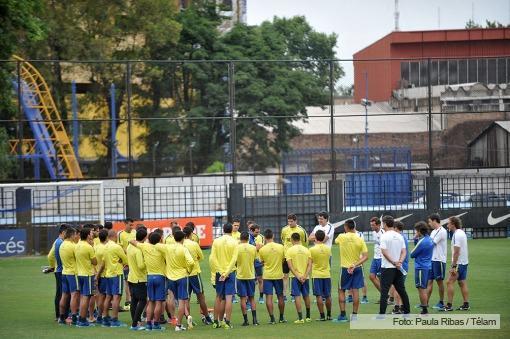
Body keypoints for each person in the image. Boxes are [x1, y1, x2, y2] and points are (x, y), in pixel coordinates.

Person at [130, 230, 167, 331]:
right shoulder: (162, 248)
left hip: (149, 277)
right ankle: (156, 324)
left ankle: (148, 324)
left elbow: (132, 241)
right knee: (159, 302)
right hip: (160, 277)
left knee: (151, 301)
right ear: (160, 239)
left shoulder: (145, 246)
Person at [334, 219, 368, 322]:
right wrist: (355, 264)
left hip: (345, 268)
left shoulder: (341, 237)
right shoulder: (360, 239)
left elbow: (335, 242)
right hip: (357, 268)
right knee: (355, 291)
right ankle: (354, 316)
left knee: (341, 290)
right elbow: (366, 256)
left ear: (346, 227)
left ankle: (343, 315)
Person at [164, 230, 195, 332]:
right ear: (183, 238)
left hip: (170, 278)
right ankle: (179, 325)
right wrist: (188, 270)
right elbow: (191, 262)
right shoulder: (183, 249)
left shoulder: (167, 247)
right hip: (181, 277)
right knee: (182, 301)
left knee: (175, 299)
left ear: (174, 238)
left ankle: (180, 317)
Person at [378, 215, 410, 315]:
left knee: (384, 292)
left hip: (388, 267)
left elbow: (384, 251)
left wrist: (393, 262)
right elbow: (404, 251)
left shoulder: (384, 236)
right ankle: (407, 312)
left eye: (383, 223)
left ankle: (381, 315)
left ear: (385, 224)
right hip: (398, 267)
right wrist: (399, 262)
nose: (382, 225)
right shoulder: (400, 236)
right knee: (402, 290)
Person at [209, 223, 239, 329]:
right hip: (230, 273)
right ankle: (227, 322)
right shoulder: (235, 242)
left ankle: (216, 322)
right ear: (232, 230)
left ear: (223, 230)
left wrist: (221, 272)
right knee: (229, 298)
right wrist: (226, 273)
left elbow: (212, 258)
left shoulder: (216, 241)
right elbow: (234, 259)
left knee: (218, 297)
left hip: (220, 273)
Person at [182, 226, 213, 325]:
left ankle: (189, 319)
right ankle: (207, 318)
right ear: (191, 234)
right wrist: (195, 260)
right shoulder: (194, 244)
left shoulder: (180, 244)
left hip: (184, 274)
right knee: (201, 296)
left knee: (186, 298)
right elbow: (201, 257)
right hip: (194, 273)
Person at [99, 230, 128, 327]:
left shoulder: (105, 246)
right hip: (116, 274)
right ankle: (114, 320)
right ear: (115, 236)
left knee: (108, 297)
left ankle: (105, 318)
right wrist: (121, 260)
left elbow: (103, 261)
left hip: (108, 274)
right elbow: (125, 260)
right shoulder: (117, 247)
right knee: (116, 297)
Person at [441, 216, 470, 312]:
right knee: (462, 282)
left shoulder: (457, 235)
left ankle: (449, 306)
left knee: (449, 282)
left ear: (453, 224)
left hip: (458, 263)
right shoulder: (461, 233)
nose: (447, 225)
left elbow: (456, 251)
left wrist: (453, 266)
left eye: (448, 223)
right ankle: (466, 304)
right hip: (464, 262)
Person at [259, 229, 286, 324]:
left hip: (267, 276)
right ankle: (281, 317)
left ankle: (272, 319)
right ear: (273, 236)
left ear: (265, 238)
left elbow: (261, 262)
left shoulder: (262, 250)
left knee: (269, 298)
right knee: (280, 296)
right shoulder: (281, 247)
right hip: (278, 275)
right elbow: (283, 260)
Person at [281, 213, 308, 302]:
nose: (289, 223)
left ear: (296, 221)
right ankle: (284, 295)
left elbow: (305, 244)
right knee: (285, 276)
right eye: (288, 221)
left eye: (291, 221)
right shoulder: (284, 230)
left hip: (297, 257)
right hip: (286, 256)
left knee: (296, 274)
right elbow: (283, 240)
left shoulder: (301, 231)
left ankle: (294, 294)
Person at [285, 233, 312, 324]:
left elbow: (290, 266)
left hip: (295, 277)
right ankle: (308, 316)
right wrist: (305, 275)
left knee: (297, 296)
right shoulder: (306, 250)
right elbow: (309, 265)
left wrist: (298, 276)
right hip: (305, 277)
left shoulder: (289, 250)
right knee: (306, 295)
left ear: (292, 240)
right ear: (300, 239)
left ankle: (300, 318)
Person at [74, 227, 97, 327]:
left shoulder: (77, 244)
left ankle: (81, 318)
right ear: (87, 235)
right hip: (87, 274)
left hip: (79, 274)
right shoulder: (88, 247)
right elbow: (95, 262)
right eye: (91, 233)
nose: (92, 234)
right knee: (86, 297)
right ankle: (82, 320)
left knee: (83, 296)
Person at [410, 221, 434, 315]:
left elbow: (412, 254)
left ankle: (424, 310)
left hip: (421, 267)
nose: (415, 232)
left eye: (416, 231)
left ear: (419, 231)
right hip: (427, 266)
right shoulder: (430, 239)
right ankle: (424, 308)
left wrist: (415, 240)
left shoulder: (423, 241)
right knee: (424, 287)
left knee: (421, 288)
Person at [126, 227, 148, 331]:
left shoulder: (130, 247)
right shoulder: (138, 250)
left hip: (131, 277)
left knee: (134, 300)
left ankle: (135, 322)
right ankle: (135, 324)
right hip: (139, 278)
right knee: (143, 300)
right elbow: (141, 266)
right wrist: (147, 263)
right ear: (144, 237)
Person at [58, 227, 80, 326]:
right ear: (71, 235)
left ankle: (61, 317)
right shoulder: (73, 246)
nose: (76, 236)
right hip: (72, 273)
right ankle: (74, 317)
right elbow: (79, 258)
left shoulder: (62, 245)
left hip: (64, 272)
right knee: (74, 294)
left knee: (64, 295)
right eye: (75, 234)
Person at [237, 231, 259, 326]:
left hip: (240, 275)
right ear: (248, 239)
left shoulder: (237, 248)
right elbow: (255, 260)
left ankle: (246, 320)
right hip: (250, 275)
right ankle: (255, 320)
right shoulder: (253, 248)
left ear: (240, 238)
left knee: (242, 298)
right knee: (252, 298)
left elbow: (235, 261)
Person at [309, 230, 332, 321]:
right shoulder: (328, 249)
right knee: (328, 296)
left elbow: (310, 263)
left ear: (315, 238)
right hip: (326, 274)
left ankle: (322, 316)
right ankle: (329, 315)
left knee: (318, 296)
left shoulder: (312, 250)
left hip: (316, 275)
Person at [48, 224, 69, 321]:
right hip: (61, 271)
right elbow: (50, 256)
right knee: (62, 294)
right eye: (68, 232)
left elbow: (50, 256)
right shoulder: (61, 243)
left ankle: (59, 315)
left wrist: (53, 266)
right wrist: (54, 266)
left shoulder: (57, 241)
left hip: (58, 270)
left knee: (59, 294)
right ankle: (61, 316)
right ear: (64, 232)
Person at [427, 213, 448, 310]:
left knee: (439, 281)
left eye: (430, 222)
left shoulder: (442, 231)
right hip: (432, 259)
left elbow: (431, 243)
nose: (429, 224)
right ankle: (425, 302)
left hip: (439, 260)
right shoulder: (433, 231)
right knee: (429, 281)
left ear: (435, 221)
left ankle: (441, 302)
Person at [118, 218, 136, 311]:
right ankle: (128, 300)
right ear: (125, 224)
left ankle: (134, 299)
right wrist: (127, 252)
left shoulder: (134, 232)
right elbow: (119, 247)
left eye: (132, 225)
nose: (131, 227)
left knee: (134, 281)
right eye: (130, 225)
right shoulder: (121, 234)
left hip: (135, 261)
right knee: (127, 282)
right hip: (126, 262)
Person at [347, 227, 369, 304]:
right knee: (349, 276)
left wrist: (361, 258)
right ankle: (350, 296)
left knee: (362, 277)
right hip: (349, 259)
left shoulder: (359, 234)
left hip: (358, 259)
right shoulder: (347, 234)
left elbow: (362, 247)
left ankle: (364, 297)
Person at [94, 229, 109, 325]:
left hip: (98, 274)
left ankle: (100, 316)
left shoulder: (95, 247)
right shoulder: (106, 248)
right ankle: (103, 316)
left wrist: (96, 274)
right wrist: (98, 275)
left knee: (101, 297)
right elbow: (103, 264)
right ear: (107, 237)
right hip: (104, 275)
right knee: (106, 297)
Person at [248, 223, 265, 304]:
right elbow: (251, 249)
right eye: (256, 232)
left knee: (260, 279)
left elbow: (262, 248)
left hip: (258, 261)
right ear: (251, 231)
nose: (257, 234)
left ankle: (261, 297)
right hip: (250, 262)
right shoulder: (247, 237)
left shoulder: (261, 237)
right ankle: (249, 300)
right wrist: (256, 248)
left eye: (258, 232)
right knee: (250, 280)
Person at [368, 217, 384, 295]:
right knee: (371, 276)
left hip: (382, 258)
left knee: (382, 279)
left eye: (373, 225)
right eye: (371, 225)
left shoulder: (383, 233)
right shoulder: (373, 233)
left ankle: (386, 297)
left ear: (379, 225)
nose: (372, 227)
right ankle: (385, 295)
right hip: (375, 258)